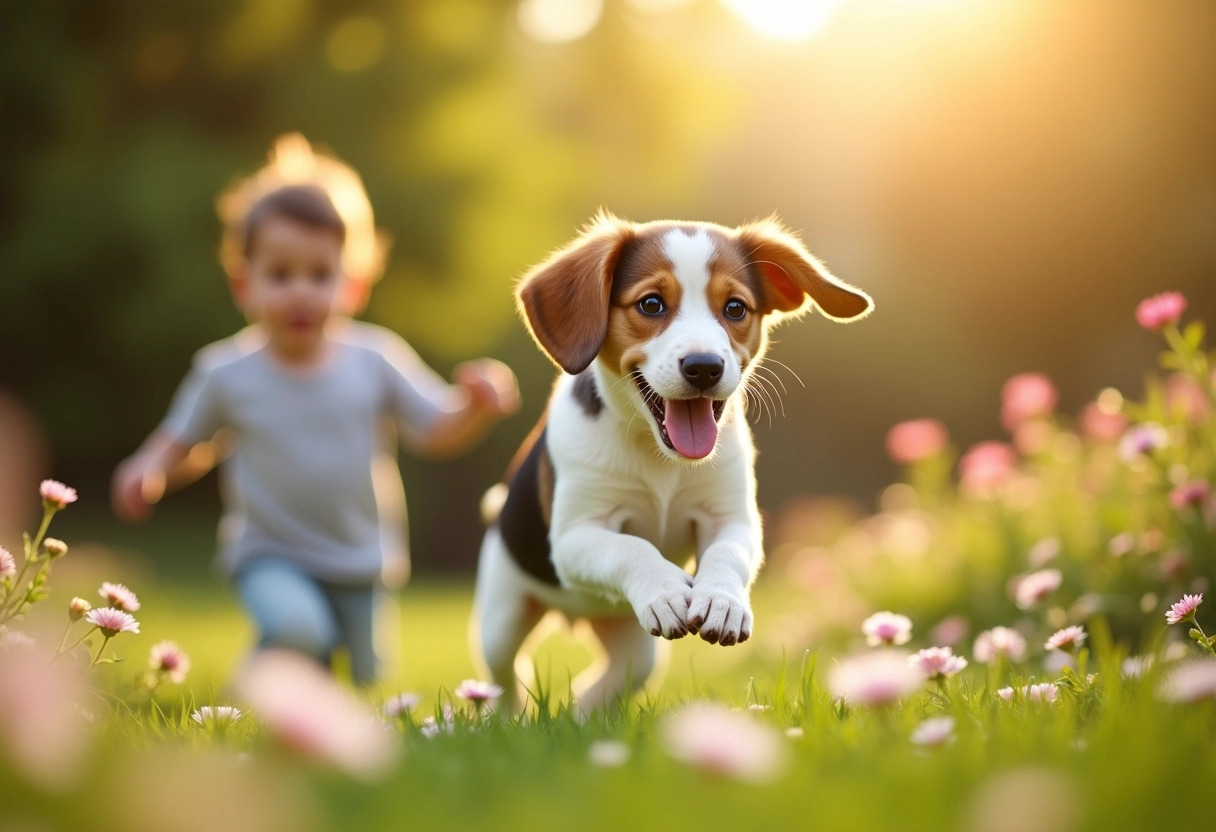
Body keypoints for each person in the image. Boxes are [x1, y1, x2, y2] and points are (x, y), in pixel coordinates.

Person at [112, 168, 518, 685]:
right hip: (269, 550)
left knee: (366, 676)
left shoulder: (375, 358)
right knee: (299, 630)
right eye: (280, 275)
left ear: (352, 285)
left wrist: (475, 404)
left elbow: (436, 426)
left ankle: (289, 684)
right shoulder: (225, 373)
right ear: (245, 284)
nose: (301, 292)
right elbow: (181, 439)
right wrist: (148, 467)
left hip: (358, 557)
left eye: (319, 275)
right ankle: (257, 682)